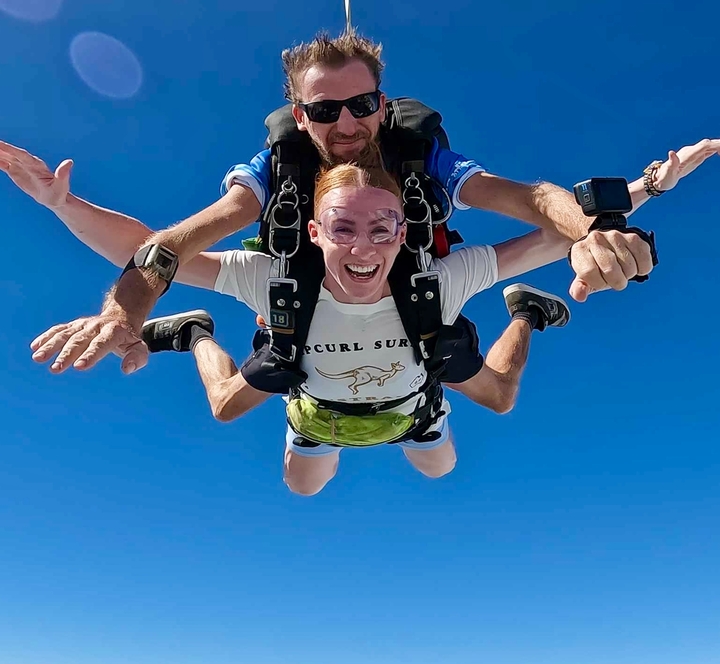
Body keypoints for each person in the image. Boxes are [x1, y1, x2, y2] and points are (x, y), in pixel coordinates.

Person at [16, 140, 718, 494]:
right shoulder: (271, 281)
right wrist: (63, 206)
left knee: (466, 438)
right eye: (343, 229)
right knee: (259, 442)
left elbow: (553, 233)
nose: (365, 247)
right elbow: (149, 246)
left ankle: (528, 315)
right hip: (316, 410)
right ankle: (196, 333)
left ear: (406, 234)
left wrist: (649, 185)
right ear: (314, 235)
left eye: (384, 229)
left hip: (414, 408)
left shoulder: (438, 281)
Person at [25, 32, 661, 376]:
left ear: (382, 105)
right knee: (276, 430)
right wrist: (122, 312)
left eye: (362, 105)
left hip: (408, 279)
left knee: (474, 412)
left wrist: (590, 233)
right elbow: (168, 246)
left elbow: (530, 198)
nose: (348, 124)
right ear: (300, 118)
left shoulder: (422, 157)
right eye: (326, 111)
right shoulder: (274, 172)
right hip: (306, 285)